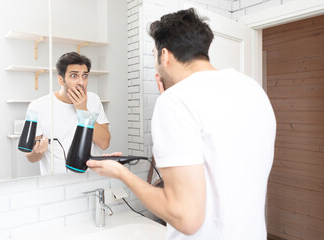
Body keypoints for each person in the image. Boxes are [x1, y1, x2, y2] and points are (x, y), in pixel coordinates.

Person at [87, 8, 276, 240]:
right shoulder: (252, 90)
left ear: (164, 55)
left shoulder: (176, 101)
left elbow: (185, 217)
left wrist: (122, 174)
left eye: (154, 54)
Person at [25, 52, 111, 175]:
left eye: (85, 76)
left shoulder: (93, 100)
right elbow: (31, 158)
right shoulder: (37, 106)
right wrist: (37, 152)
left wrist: (83, 110)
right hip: (56, 184)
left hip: (90, 179)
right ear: (61, 80)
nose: (81, 82)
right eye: (74, 75)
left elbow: (104, 143)